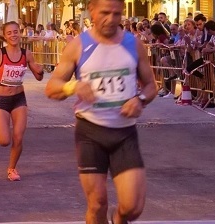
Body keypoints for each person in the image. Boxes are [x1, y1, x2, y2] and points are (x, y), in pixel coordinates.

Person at [45, 0, 157, 223]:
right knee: (97, 204)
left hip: (124, 133)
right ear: (92, 11)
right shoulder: (78, 45)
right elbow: (51, 88)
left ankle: (118, 220)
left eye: (117, 14)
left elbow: (151, 85)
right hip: (90, 133)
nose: (111, 19)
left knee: (132, 207)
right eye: (105, 13)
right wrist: (73, 86)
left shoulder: (132, 44)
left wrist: (140, 100)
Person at [0, 21, 44, 181]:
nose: (13, 35)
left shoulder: (27, 54)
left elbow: (38, 76)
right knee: (4, 141)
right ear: (5, 36)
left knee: (18, 137)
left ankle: (12, 169)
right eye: (9, 33)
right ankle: (1, 126)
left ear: (20, 33)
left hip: (19, 99)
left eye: (16, 31)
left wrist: (41, 71)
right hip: (2, 100)